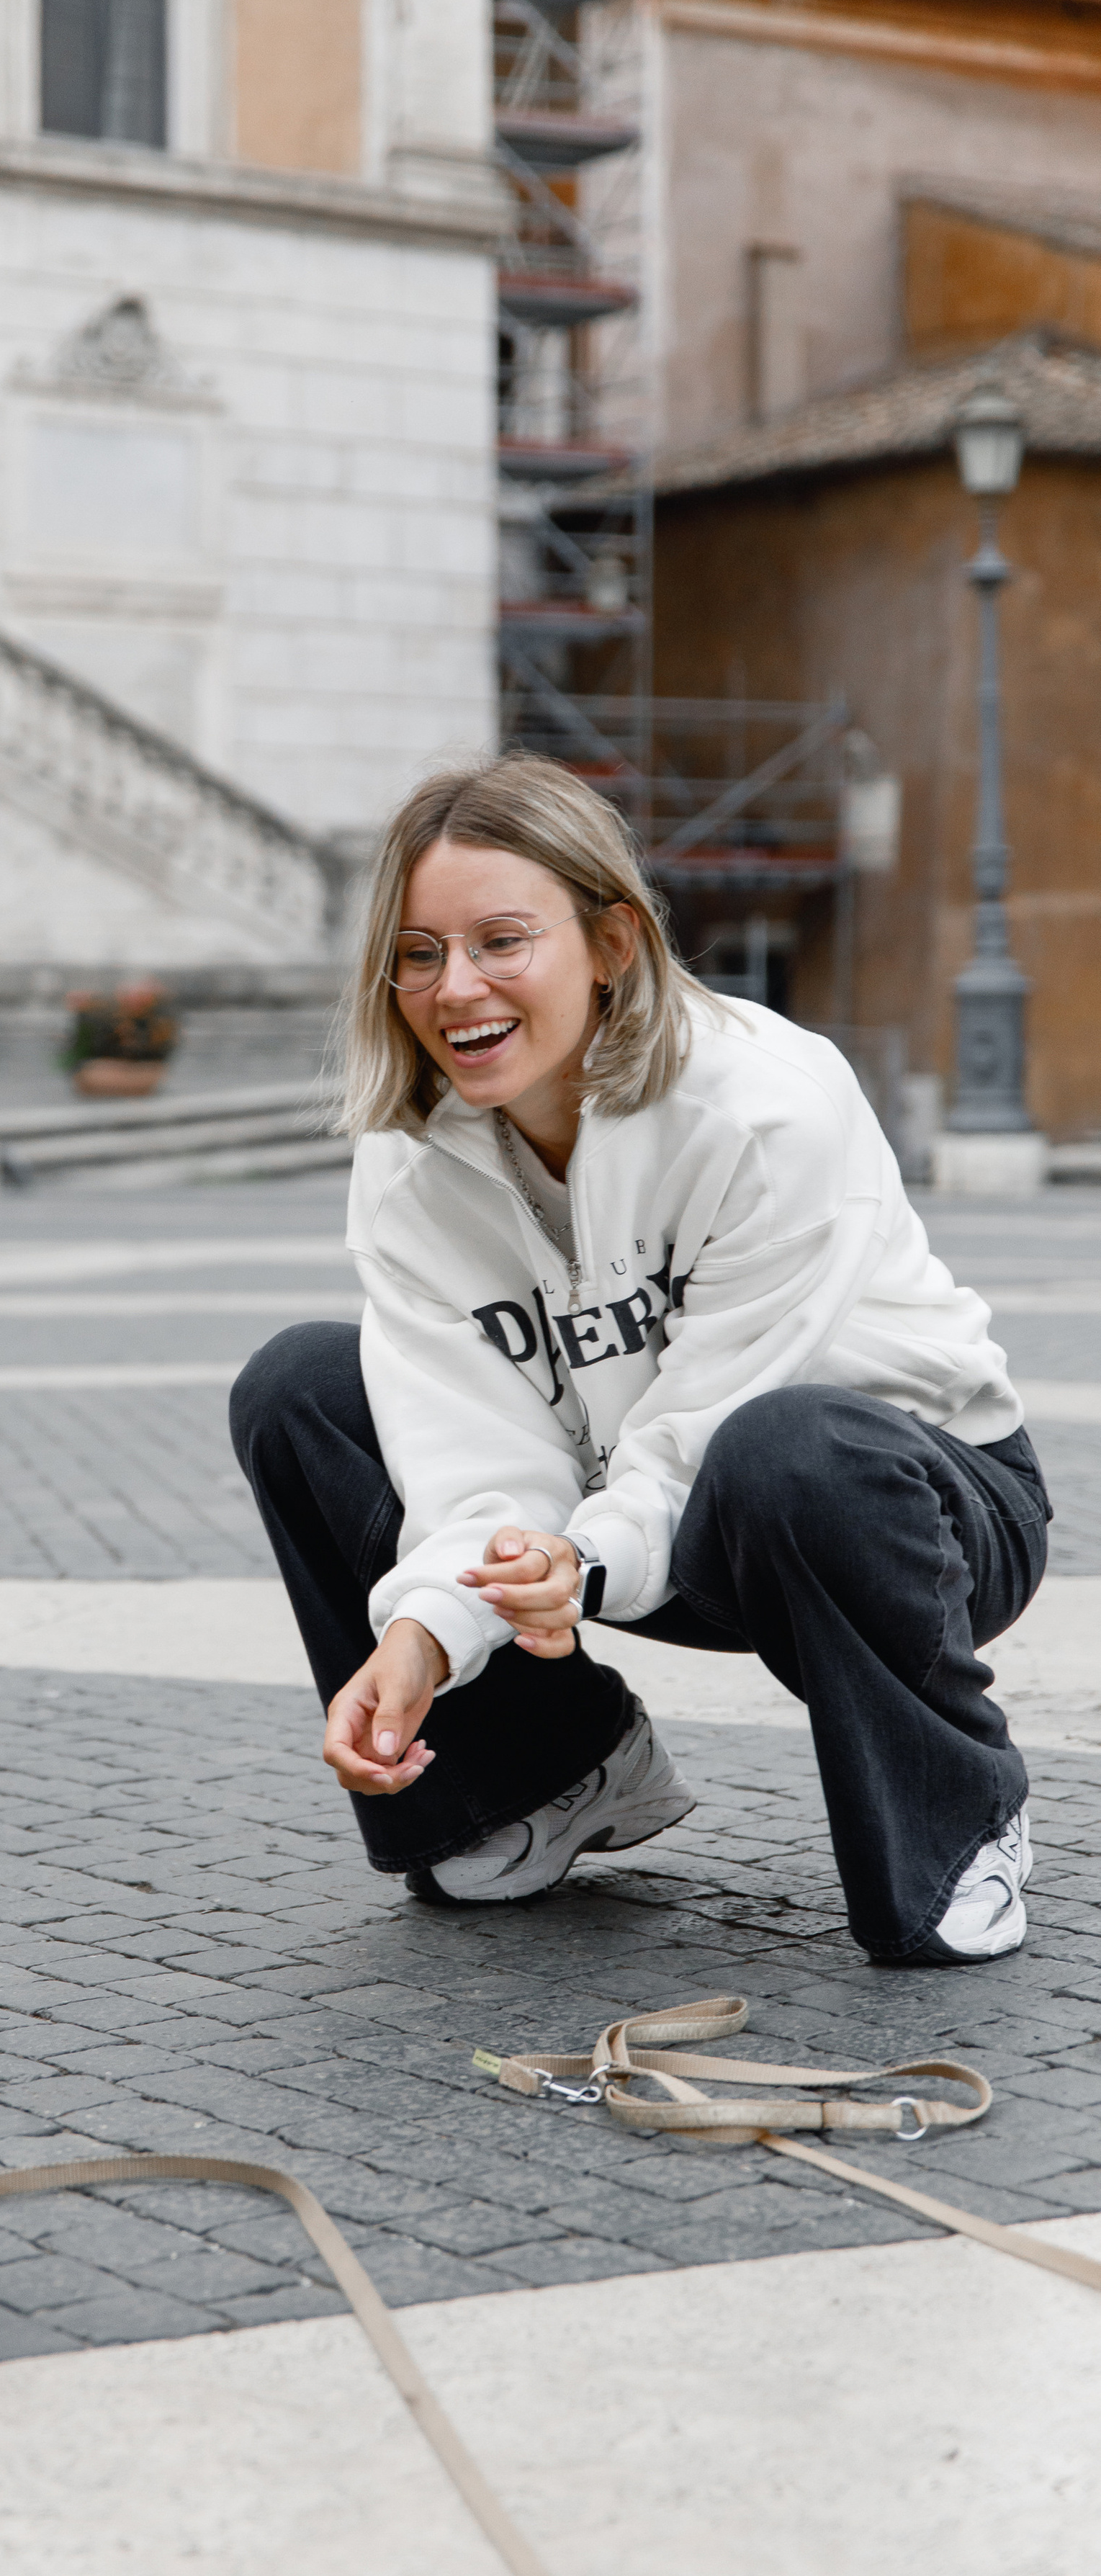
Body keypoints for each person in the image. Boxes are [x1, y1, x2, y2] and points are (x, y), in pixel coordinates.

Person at [230, 758, 1047, 1965]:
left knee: (790, 1447)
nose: (455, 989)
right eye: (417, 953)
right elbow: (469, 1450)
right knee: (300, 1387)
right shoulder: (411, 1156)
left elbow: (716, 1422)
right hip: (616, 1509)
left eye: (502, 941)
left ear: (612, 938)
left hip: (900, 1506)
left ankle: (962, 1806)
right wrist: (422, 1636)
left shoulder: (764, 1103)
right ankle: (550, 1775)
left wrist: (579, 1555)